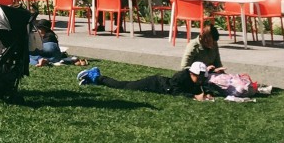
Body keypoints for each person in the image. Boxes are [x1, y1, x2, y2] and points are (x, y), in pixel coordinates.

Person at [78, 60, 216, 101]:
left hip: (158, 84)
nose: (200, 80)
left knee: (125, 85)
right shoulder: (181, 77)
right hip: (153, 84)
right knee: (124, 86)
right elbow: (175, 92)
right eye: (199, 77)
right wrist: (193, 96)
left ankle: (94, 79)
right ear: (192, 73)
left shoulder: (194, 80)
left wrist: (207, 93)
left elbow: (200, 88)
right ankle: (97, 76)